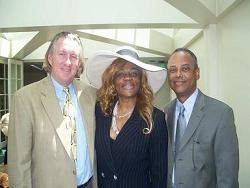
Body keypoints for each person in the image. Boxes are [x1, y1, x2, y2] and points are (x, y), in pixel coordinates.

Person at [8, 32, 97, 188]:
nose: (68, 62)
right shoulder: (25, 98)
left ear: (79, 63)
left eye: (74, 56)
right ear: (50, 58)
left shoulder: (91, 94)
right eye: (62, 54)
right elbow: (19, 163)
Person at [86, 46, 168, 188]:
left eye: (134, 73)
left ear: (141, 80)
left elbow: (159, 174)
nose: (128, 78)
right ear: (113, 80)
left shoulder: (155, 118)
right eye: (120, 74)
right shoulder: (100, 112)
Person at [165, 48, 239, 188]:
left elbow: (227, 177)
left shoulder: (221, 114)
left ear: (197, 73)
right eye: (173, 70)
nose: (178, 75)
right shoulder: (164, 113)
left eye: (185, 69)